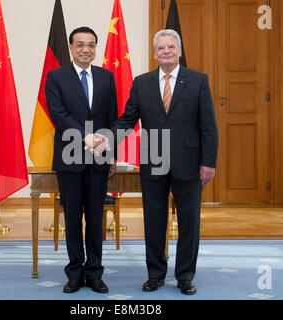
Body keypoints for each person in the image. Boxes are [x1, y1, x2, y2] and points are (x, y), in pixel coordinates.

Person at [88, 29, 218, 295]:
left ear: (180, 51)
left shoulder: (198, 80)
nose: (166, 51)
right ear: (155, 53)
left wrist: (208, 162)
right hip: (153, 162)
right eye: (161, 48)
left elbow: (208, 126)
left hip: (189, 163)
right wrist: (105, 137)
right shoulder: (142, 82)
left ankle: (184, 276)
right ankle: (156, 275)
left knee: (189, 221)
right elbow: (127, 120)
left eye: (171, 47)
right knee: (154, 220)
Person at [45, 26, 118, 294]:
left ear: (95, 48)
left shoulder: (107, 77)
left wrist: (111, 155)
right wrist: (84, 136)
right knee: (73, 218)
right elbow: (57, 113)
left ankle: (94, 273)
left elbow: (112, 116)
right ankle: (74, 272)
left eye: (91, 44)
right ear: (71, 47)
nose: (86, 49)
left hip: (99, 158)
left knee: (96, 218)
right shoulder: (56, 77)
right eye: (80, 44)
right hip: (70, 156)